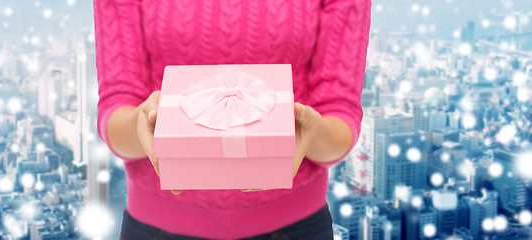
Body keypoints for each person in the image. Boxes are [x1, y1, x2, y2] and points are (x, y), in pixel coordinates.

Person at [94, 0, 371, 239]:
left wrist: (310, 129)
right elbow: (117, 108)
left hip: (296, 227)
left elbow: (340, 115)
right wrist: (144, 122)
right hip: (156, 227)